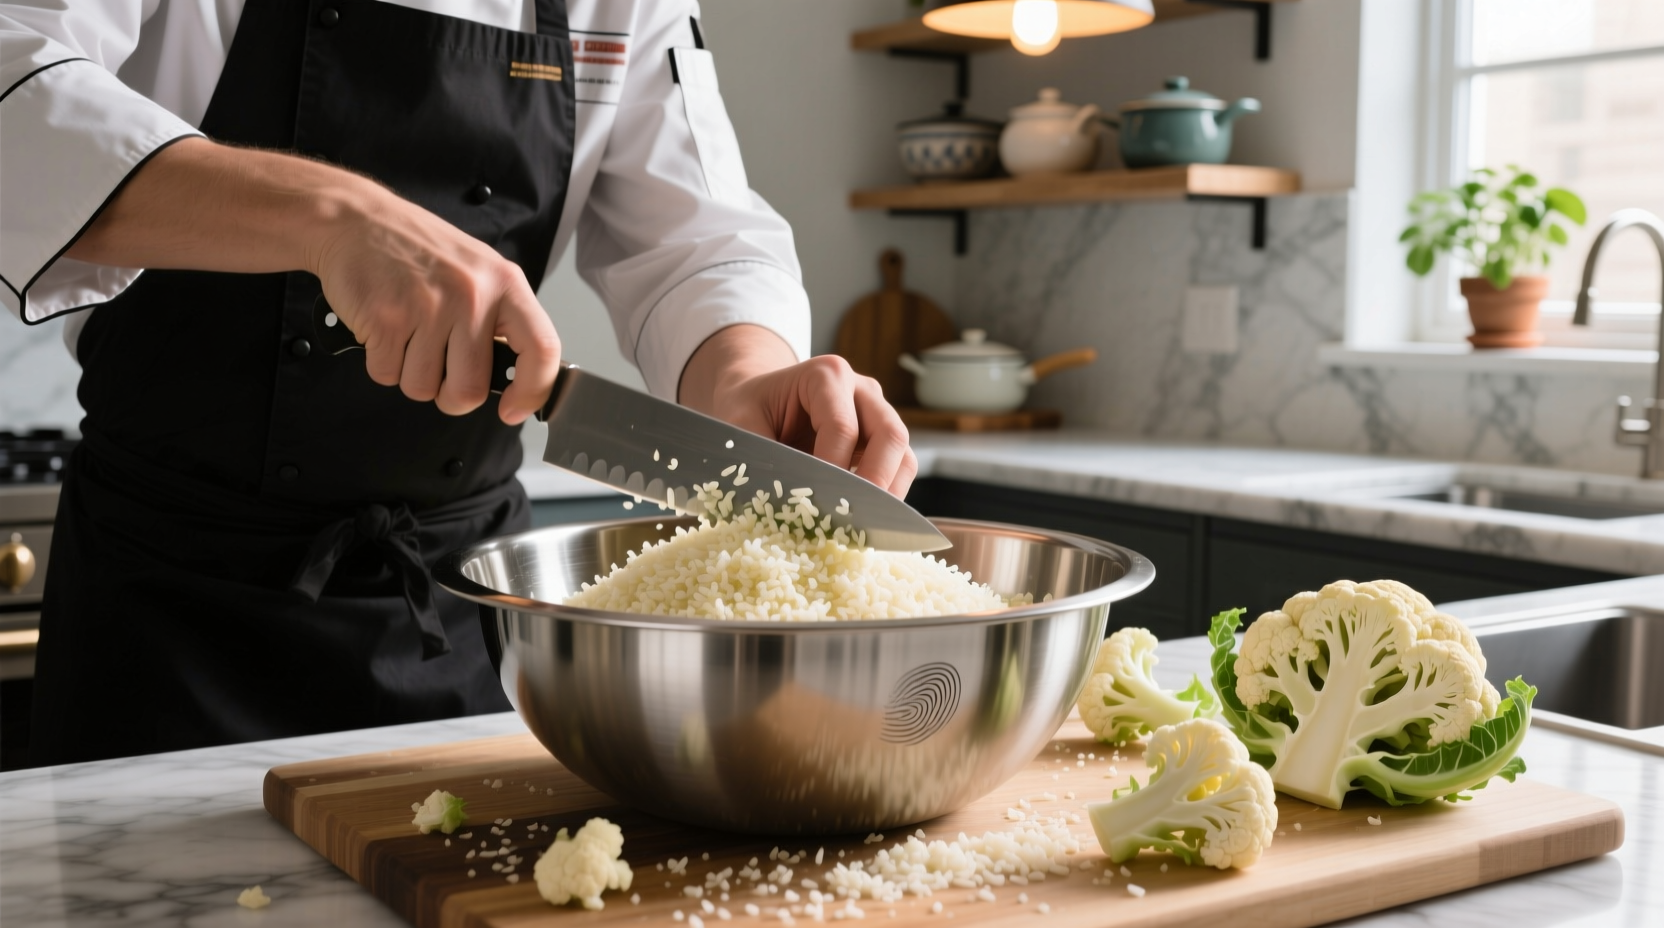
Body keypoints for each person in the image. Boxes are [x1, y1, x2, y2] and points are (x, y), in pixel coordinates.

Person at [0, 0, 916, 765]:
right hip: (168, 622)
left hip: (461, 622)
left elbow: (695, 239)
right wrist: (336, 216)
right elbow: (15, 87)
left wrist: (746, 372)